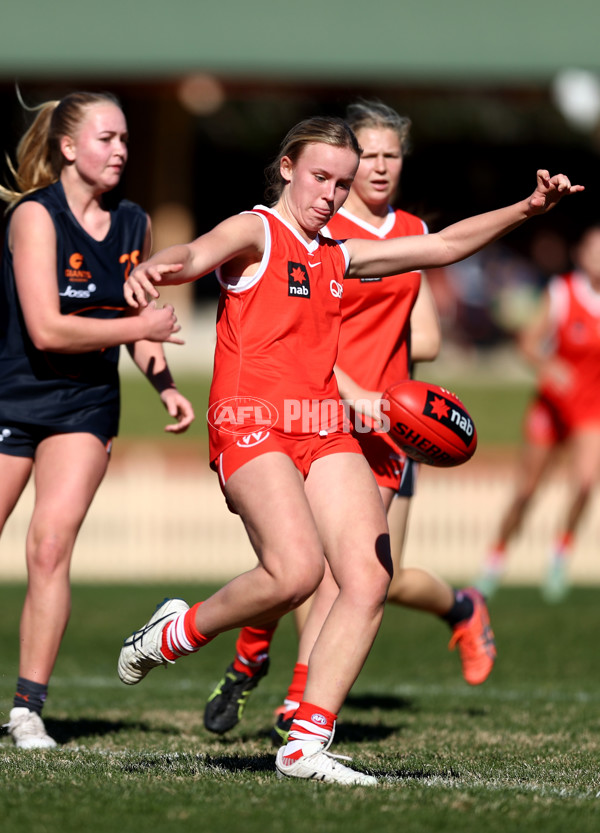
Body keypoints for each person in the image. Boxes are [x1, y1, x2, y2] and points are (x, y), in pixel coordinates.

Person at [117, 113, 581, 786]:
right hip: (251, 421)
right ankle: (177, 630)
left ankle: (305, 743)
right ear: (287, 169)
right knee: (296, 572)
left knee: (368, 576)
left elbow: (446, 246)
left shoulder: (338, 252)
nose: (330, 195)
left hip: (322, 423)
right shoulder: (259, 230)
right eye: (319, 178)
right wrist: (158, 268)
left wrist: (529, 207)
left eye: (341, 182)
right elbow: (197, 252)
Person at [203, 100, 497, 743]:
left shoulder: (405, 232)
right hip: (317, 406)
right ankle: (257, 655)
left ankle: (302, 697)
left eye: (393, 156)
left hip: (388, 425)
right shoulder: (300, 232)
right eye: (369, 157)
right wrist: (349, 383)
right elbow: (294, 343)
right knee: (301, 564)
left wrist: (397, 400)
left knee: (360, 573)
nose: (380, 168)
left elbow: (425, 335)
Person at [0, 91, 194, 749]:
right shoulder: (35, 217)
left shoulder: (135, 222)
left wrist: (163, 382)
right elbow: (48, 329)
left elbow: (131, 321)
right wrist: (141, 325)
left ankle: (27, 709)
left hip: (84, 406)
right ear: (67, 146)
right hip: (11, 397)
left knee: (50, 546)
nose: (120, 151)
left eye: (125, 140)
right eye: (107, 138)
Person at [477, 223, 600, 602]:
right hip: (551, 405)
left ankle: (560, 557)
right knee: (527, 491)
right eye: (596, 250)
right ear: (581, 255)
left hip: (590, 409)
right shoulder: (562, 294)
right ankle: (495, 560)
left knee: (584, 483)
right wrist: (548, 368)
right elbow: (528, 343)